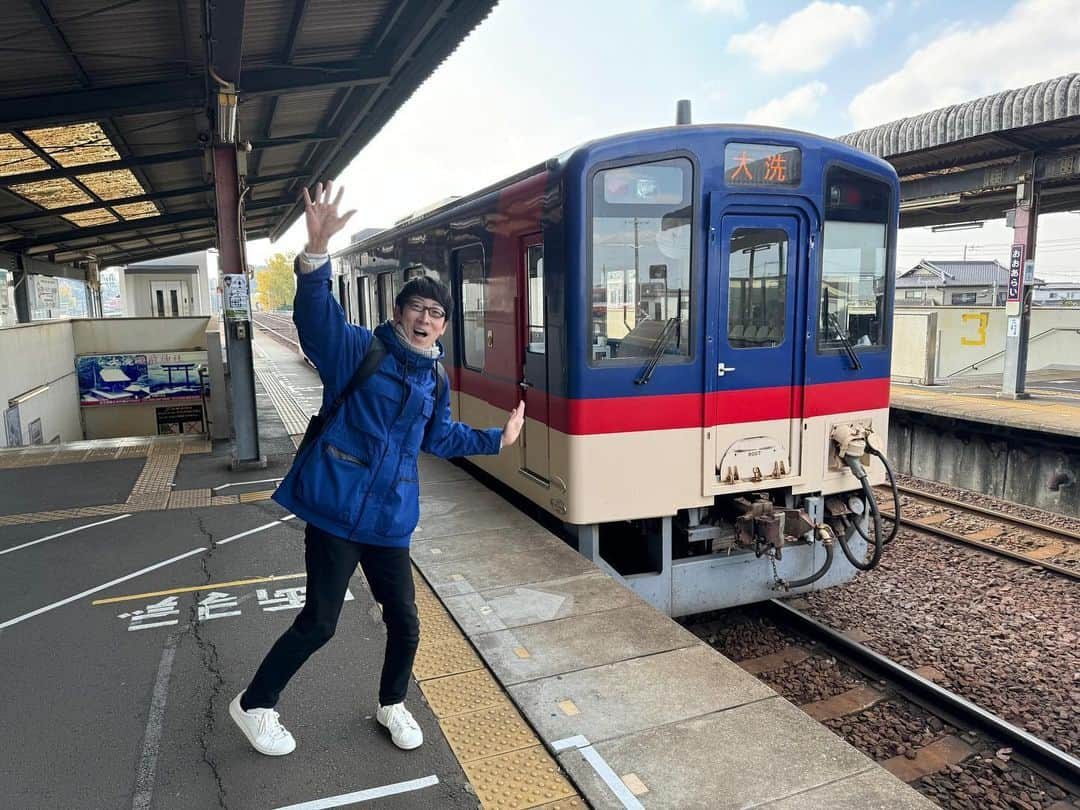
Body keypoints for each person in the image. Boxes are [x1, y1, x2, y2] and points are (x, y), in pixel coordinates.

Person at [230, 181, 525, 756]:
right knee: (319, 623)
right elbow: (315, 319)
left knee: (407, 622)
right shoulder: (359, 351)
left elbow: (440, 436)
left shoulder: (434, 380)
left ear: (444, 326)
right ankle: (254, 704)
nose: (427, 319)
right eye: (418, 307)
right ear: (398, 312)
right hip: (336, 512)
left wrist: (498, 438)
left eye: (438, 314)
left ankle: (392, 703)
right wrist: (316, 252)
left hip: (390, 519)